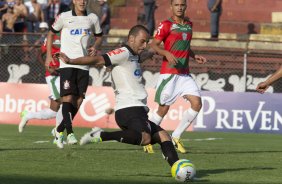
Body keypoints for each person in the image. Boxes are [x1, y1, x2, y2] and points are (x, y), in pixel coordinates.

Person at [56, 25, 180, 168]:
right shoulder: (123, 53)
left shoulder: (134, 55)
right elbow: (98, 60)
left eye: (146, 42)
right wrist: (70, 61)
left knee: (164, 136)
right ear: (131, 39)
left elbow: (145, 55)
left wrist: (158, 49)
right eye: (142, 41)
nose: (144, 45)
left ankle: (178, 167)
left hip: (138, 110)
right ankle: (101, 135)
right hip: (128, 109)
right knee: (145, 138)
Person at [147, 0, 207, 154]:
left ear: (185, 6)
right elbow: (154, 45)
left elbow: (185, 45)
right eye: (176, 5)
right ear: (171, 7)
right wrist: (166, 53)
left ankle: (176, 136)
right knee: (163, 109)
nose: (179, 7)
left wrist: (194, 56)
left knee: (197, 103)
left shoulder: (189, 24)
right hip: (169, 73)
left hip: (184, 74)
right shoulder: (166, 24)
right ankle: (147, 138)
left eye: (182, 5)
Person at [45, 0, 103, 149]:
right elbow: (51, 34)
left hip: (84, 64)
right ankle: (69, 133)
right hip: (67, 63)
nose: (82, 1)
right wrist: (48, 56)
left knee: (78, 101)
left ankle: (58, 131)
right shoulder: (64, 17)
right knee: (68, 97)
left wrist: (95, 47)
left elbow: (99, 36)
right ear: (74, 1)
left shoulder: (93, 18)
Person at [18, 30, 63, 144]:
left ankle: (29, 115)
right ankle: (58, 134)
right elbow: (40, 54)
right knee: (65, 102)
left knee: (54, 111)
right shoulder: (51, 37)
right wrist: (47, 66)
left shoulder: (69, 35)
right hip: (53, 76)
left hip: (65, 74)